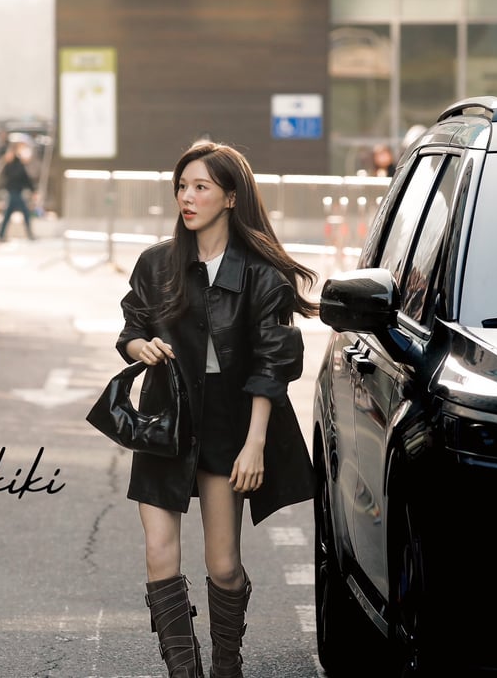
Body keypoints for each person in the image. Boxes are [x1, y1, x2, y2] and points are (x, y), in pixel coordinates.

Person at [114, 141, 318, 677]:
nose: (187, 196)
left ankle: (227, 663)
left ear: (230, 197)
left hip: (228, 424)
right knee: (159, 553)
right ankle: (185, 672)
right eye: (182, 186)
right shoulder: (157, 263)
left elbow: (271, 368)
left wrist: (254, 444)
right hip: (165, 420)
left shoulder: (262, 276)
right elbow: (132, 326)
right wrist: (139, 346)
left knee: (224, 565)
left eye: (200, 187)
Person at [0, 139, 38, 241]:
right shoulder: (12, 163)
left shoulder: (17, 163)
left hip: (15, 192)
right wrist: (32, 190)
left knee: (8, 214)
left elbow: (25, 179)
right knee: (24, 213)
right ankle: (29, 235)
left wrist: (32, 190)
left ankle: (1, 235)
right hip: (14, 192)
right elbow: (23, 178)